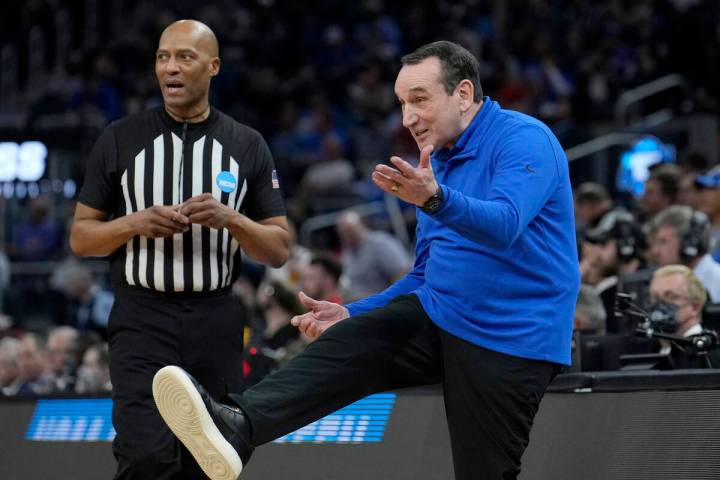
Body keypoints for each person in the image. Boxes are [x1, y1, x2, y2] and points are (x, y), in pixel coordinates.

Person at [152, 40, 579, 480]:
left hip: (511, 337)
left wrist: (435, 200)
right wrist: (352, 311)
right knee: (353, 338)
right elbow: (425, 275)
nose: (407, 118)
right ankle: (238, 425)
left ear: (464, 95)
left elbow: (504, 225)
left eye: (419, 100)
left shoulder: (524, 139)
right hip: (443, 313)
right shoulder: (436, 167)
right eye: (401, 103)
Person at [69, 19, 290, 480]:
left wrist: (231, 218)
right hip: (141, 318)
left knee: (215, 459)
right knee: (145, 455)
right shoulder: (119, 138)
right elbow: (81, 237)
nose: (170, 67)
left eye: (184, 57)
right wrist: (134, 223)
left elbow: (279, 249)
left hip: (216, 318)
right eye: (162, 57)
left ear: (213, 67)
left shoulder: (246, 144)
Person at [646, 205, 720, 302]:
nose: (655, 251)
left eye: (663, 242)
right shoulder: (659, 282)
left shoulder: (717, 281)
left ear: (688, 243)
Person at [336, 209, 412, 300]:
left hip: (383, 302)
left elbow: (402, 272)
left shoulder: (381, 243)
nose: (347, 234)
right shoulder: (347, 252)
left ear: (360, 225)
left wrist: (390, 299)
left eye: (349, 230)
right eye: (342, 232)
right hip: (361, 304)